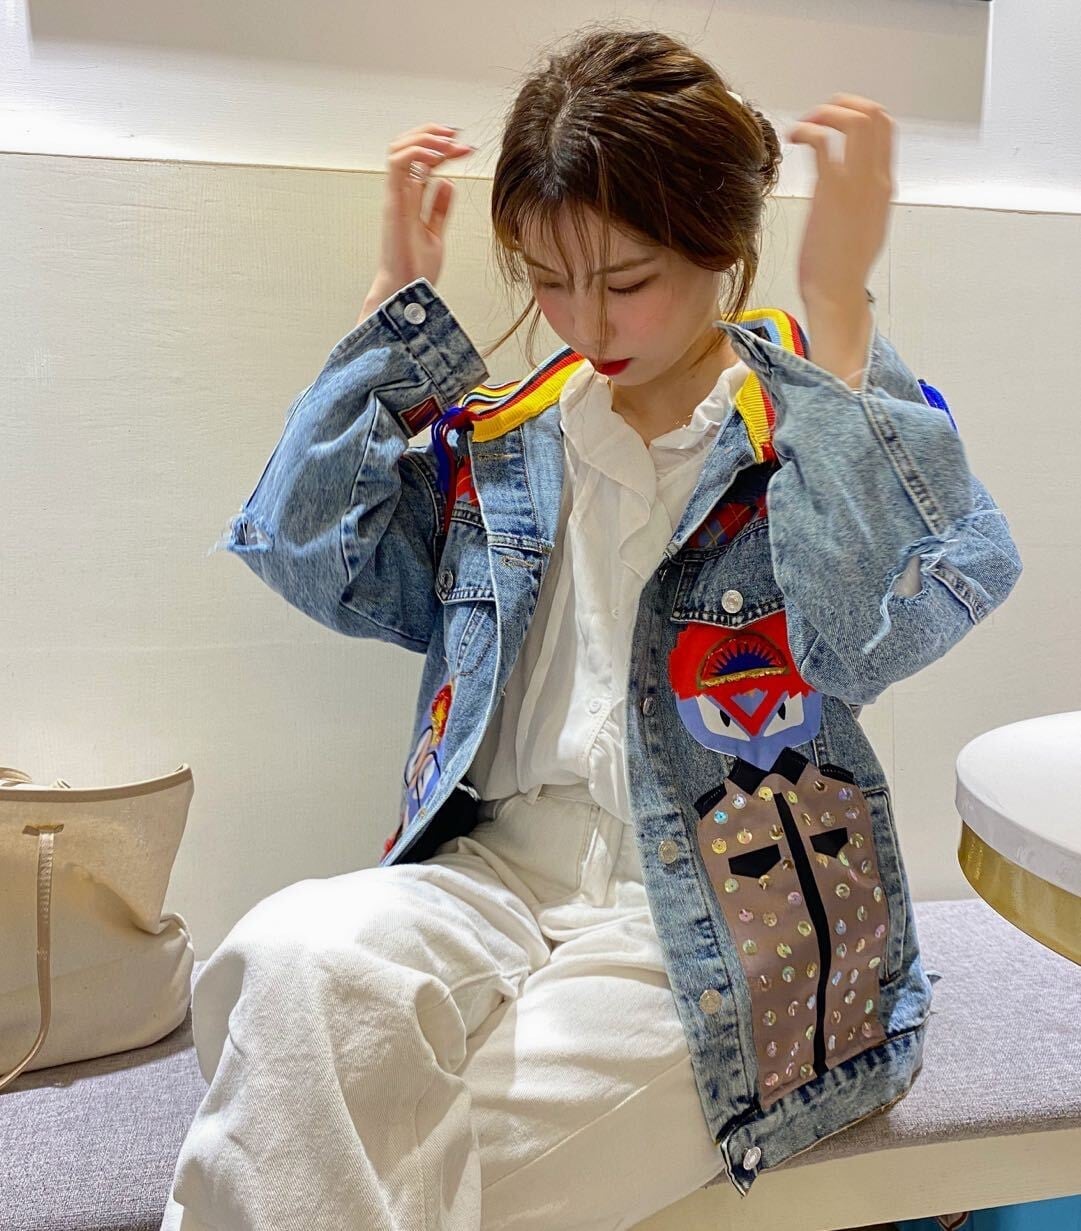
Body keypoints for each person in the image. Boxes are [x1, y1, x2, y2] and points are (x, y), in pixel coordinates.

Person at [164, 25, 1022, 1231]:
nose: (583, 320)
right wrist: (389, 315)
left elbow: (870, 637)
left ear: (723, 245)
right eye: (545, 278)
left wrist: (838, 313)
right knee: (289, 958)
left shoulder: (808, 431)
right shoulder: (510, 441)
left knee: (320, 1140)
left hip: (724, 912)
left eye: (624, 281)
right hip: (493, 875)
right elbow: (313, 553)